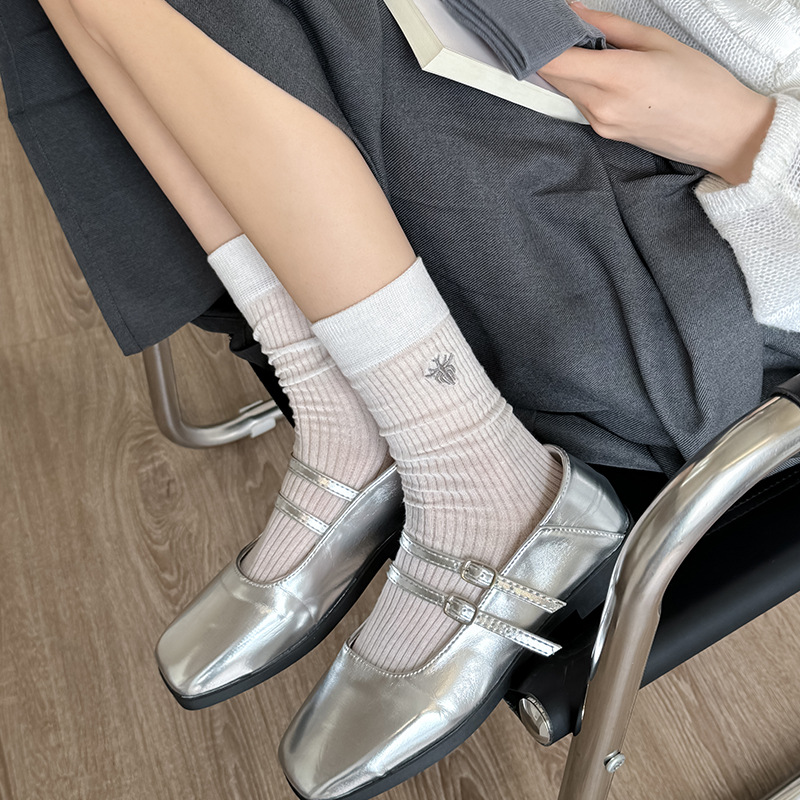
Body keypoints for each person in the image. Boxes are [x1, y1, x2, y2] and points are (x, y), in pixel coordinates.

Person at [30, 0, 800, 798]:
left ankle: (468, 462)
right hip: (555, 92)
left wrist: (748, 135)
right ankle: (341, 396)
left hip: (708, 266)